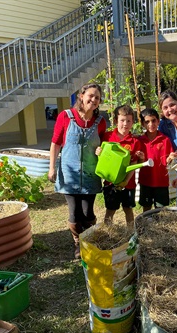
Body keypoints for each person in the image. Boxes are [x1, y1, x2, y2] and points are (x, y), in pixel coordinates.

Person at [48, 83, 107, 259]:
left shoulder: (100, 122)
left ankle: (89, 242)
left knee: (88, 213)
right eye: (90, 96)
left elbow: (104, 146)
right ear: (81, 96)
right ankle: (78, 244)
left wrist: (101, 150)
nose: (94, 100)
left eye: (97, 97)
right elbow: (56, 142)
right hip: (69, 172)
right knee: (75, 213)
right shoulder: (65, 116)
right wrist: (52, 167)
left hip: (90, 174)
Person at [97, 105, 145, 226]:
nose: (125, 124)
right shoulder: (107, 137)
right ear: (115, 121)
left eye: (129, 121)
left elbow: (135, 164)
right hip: (110, 183)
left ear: (133, 122)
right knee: (110, 210)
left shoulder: (135, 142)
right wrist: (98, 153)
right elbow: (102, 158)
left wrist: (126, 180)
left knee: (128, 209)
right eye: (122, 120)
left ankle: (130, 233)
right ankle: (107, 233)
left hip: (128, 184)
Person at [139, 108, 177, 212]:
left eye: (153, 120)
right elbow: (138, 163)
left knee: (161, 211)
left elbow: (167, 162)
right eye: (147, 122)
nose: (151, 124)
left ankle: (160, 228)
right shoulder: (140, 140)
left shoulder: (165, 140)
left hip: (161, 181)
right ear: (143, 124)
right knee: (146, 209)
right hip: (145, 181)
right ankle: (145, 227)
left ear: (158, 121)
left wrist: (171, 157)